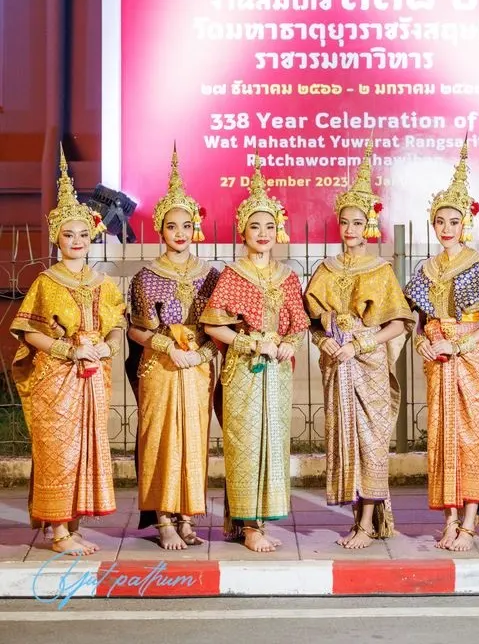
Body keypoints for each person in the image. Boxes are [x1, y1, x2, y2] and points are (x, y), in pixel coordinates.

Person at [10, 147, 125, 556]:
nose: (76, 241)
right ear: (57, 238)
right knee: (59, 447)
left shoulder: (103, 283)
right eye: (68, 235)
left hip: (92, 379)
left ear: (91, 236)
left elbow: (117, 328)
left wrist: (106, 347)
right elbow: (27, 332)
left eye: (82, 234)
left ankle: (71, 524)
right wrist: (68, 350)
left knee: (86, 448)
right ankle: (57, 530)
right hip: (56, 379)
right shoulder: (47, 282)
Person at [404, 139, 479, 551]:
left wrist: (465, 345)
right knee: (442, 439)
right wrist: (424, 346)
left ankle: (469, 522)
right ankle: (448, 519)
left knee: (471, 437)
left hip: (468, 361)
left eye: (454, 221)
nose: (446, 228)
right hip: (438, 362)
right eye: (440, 221)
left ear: (464, 223)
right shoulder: (426, 268)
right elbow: (418, 325)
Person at [304, 141, 413, 549]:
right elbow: (313, 321)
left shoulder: (381, 270)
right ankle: (357, 516)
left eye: (357, 222)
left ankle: (368, 522)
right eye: (345, 222)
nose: (350, 229)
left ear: (369, 224)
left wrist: (361, 343)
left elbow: (399, 324)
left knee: (371, 439)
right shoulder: (325, 269)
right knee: (343, 438)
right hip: (337, 365)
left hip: (367, 365)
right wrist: (326, 343)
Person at [200, 155, 309, 553]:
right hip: (243, 370)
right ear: (242, 231)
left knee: (274, 443)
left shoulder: (288, 276)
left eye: (268, 225)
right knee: (245, 443)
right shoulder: (233, 275)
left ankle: (265, 517)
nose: (262, 233)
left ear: (277, 230)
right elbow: (213, 325)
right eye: (254, 226)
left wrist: (285, 344)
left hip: (277, 372)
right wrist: (250, 343)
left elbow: (297, 325)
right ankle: (248, 526)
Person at [127, 146, 219, 550]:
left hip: (198, 368)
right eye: (171, 226)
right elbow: (134, 331)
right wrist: (166, 344)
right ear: (160, 231)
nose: (180, 233)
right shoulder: (146, 277)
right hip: (160, 368)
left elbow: (219, 329)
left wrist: (200, 354)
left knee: (194, 439)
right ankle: (162, 518)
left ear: (195, 228)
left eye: (187, 225)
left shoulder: (211, 276)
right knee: (160, 437)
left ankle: (186, 515)